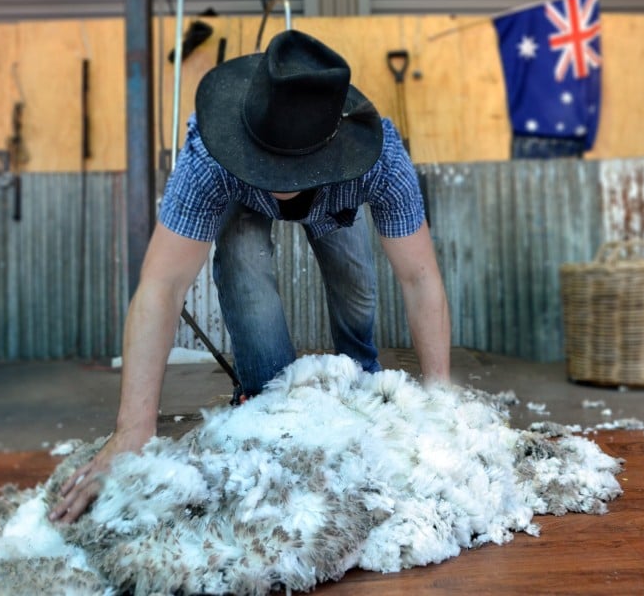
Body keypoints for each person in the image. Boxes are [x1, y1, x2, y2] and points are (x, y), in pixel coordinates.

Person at [50, 29, 451, 524]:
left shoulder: (378, 159)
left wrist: (440, 403)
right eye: (271, 165)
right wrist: (133, 429)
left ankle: (359, 375)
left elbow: (419, 277)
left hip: (337, 198)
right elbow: (161, 286)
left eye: (289, 168)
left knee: (354, 280)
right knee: (241, 252)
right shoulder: (209, 158)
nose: (280, 176)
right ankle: (272, 404)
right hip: (240, 194)